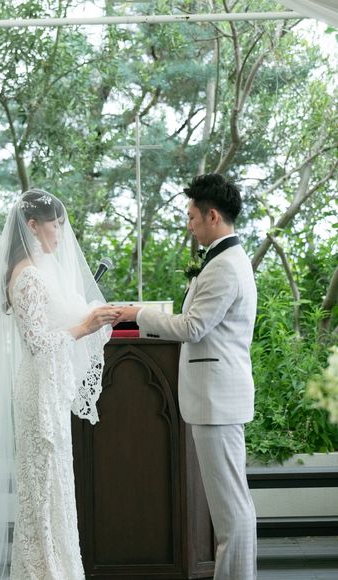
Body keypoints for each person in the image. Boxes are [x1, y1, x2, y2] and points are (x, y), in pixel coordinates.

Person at [0, 189, 120, 580]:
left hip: (50, 388)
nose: (60, 233)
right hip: (37, 390)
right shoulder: (26, 277)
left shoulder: (44, 269)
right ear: (32, 225)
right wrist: (86, 325)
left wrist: (95, 316)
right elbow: (39, 342)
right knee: (42, 487)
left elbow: (65, 316)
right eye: (55, 225)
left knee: (56, 484)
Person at [117, 173, 257, 580]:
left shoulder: (224, 266)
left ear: (212, 216)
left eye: (192, 217)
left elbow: (193, 327)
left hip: (217, 399)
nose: (189, 225)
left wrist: (138, 314)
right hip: (216, 397)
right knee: (232, 507)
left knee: (231, 511)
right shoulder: (223, 259)